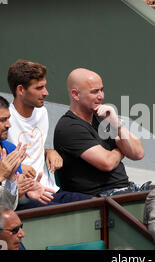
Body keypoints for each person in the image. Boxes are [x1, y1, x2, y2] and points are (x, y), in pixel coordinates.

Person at [6, 59, 92, 210]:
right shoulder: (5, 119)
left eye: (44, 87)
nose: (46, 93)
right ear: (21, 90)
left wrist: (48, 151)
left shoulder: (42, 112)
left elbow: (33, 146)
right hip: (24, 197)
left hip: (50, 190)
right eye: (39, 88)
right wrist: (17, 167)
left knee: (96, 204)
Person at [54, 68, 148, 197]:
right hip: (100, 199)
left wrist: (118, 125)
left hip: (124, 190)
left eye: (102, 90)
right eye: (95, 92)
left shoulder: (102, 117)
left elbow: (138, 153)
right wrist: (120, 150)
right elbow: (107, 163)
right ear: (75, 94)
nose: (101, 96)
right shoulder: (69, 127)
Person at [0, 93, 62, 206]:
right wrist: (1, 177)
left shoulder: (10, 148)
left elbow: (16, 195)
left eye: (9, 119)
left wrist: (25, 194)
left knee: (83, 200)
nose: (9, 125)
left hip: (15, 205)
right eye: (3, 120)